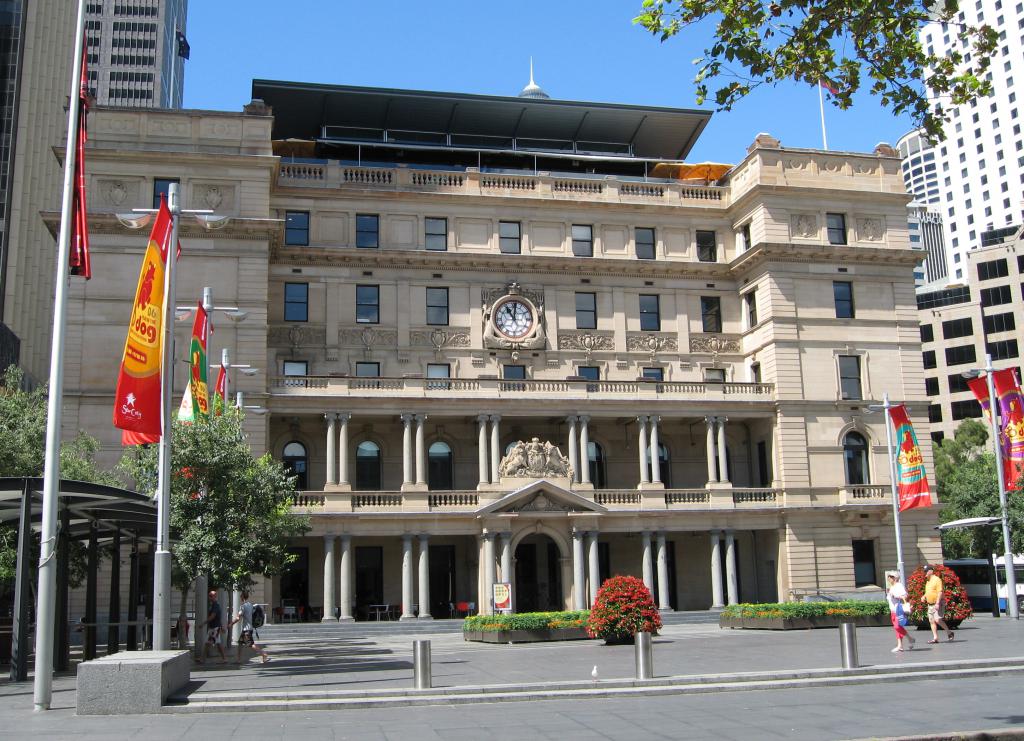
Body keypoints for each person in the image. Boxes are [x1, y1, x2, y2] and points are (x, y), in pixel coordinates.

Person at [228, 591, 270, 665]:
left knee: (251, 644)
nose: (240, 597)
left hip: (246, 629)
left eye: (241, 596)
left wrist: (231, 624)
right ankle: (238, 660)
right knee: (240, 643)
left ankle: (263, 654)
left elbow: (238, 618)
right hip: (248, 628)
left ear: (242, 597)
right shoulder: (251, 605)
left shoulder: (243, 606)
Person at [924, 565, 954, 644]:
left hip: (938, 603)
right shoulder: (928, 580)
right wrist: (924, 596)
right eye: (924, 571)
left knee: (937, 620)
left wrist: (937, 603)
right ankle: (935, 638)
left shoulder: (937, 580)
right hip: (930, 604)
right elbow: (928, 591)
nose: (925, 572)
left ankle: (949, 632)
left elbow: (940, 592)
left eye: (926, 571)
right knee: (931, 621)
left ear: (931, 571)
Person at [885, 573, 915, 653]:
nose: (888, 578)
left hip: (898, 610)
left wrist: (895, 596)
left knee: (897, 627)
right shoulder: (892, 587)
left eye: (890, 577)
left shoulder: (899, 586)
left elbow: (904, 596)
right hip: (893, 610)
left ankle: (909, 638)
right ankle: (900, 645)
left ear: (894, 578)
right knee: (897, 628)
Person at [197, 589, 227, 664]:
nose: (209, 597)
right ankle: (202, 658)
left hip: (215, 628)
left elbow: (213, 616)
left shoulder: (215, 605)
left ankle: (224, 658)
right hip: (213, 627)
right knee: (211, 643)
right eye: (209, 596)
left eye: (211, 596)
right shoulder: (213, 605)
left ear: (215, 597)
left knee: (213, 643)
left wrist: (203, 623)